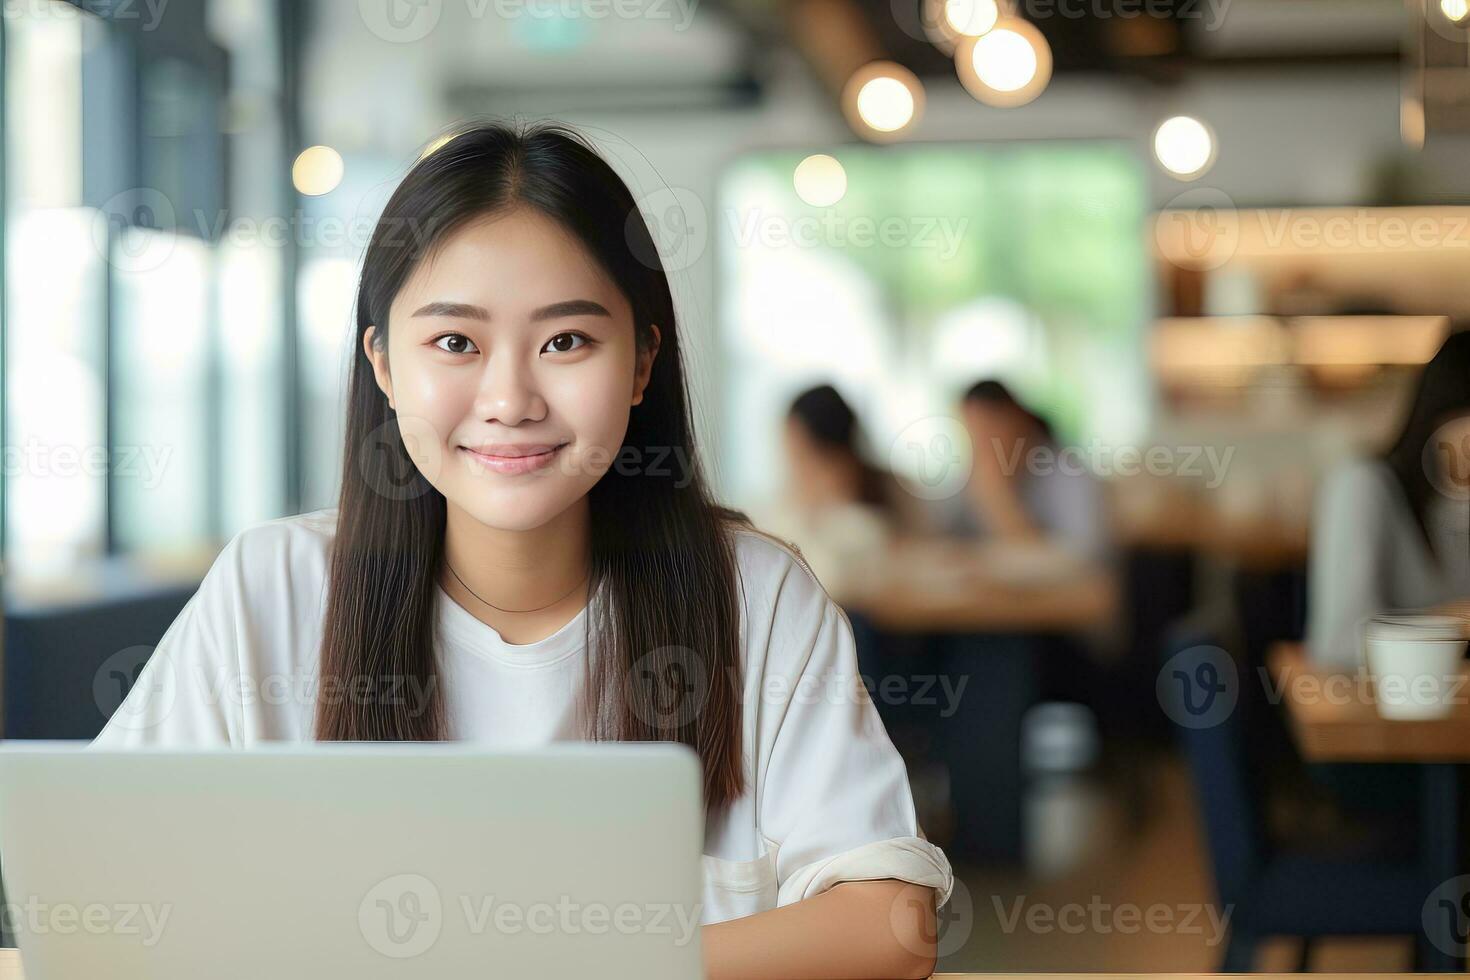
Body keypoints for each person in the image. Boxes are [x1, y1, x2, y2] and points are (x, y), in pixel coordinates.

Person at [92, 120, 951, 979]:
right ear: (384, 365)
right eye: (455, 343)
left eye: (565, 341)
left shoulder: (754, 598)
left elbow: (892, 928)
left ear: (643, 360)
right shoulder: (271, 588)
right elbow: (107, 887)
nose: (509, 400)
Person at [1307, 329, 1470, 668]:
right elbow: (1338, 644)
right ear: (1441, 414)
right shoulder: (1362, 487)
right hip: (1387, 709)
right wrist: (1456, 620)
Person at [946, 379, 1108, 562]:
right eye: (973, 433)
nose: (981, 444)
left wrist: (998, 499)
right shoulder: (972, 473)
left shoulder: (1067, 472)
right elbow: (944, 539)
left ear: (1018, 421)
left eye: (988, 430)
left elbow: (1084, 556)